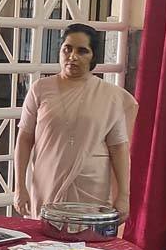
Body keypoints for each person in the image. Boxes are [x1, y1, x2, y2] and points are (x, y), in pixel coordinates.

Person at [14, 23, 137, 220]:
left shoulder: (110, 96)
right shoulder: (40, 89)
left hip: (92, 188)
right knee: (45, 236)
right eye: (67, 49)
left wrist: (123, 195)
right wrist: (20, 186)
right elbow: (24, 139)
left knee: (87, 238)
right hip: (48, 182)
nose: (72, 56)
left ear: (93, 56)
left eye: (82, 51)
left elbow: (118, 148)